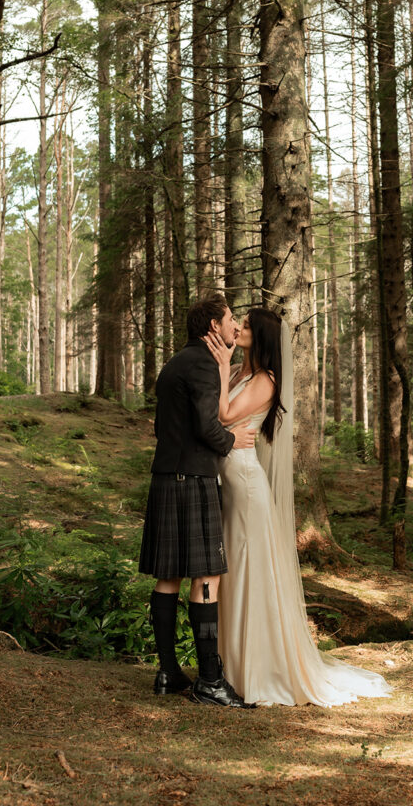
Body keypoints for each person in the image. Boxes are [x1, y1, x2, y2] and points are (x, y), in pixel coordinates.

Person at [203, 307, 392, 707]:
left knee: (248, 572)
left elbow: (223, 414)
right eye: (242, 323)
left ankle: (259, 671)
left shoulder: (265, 380)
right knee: (231, 574)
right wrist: (226, 367)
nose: (240, 329)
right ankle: (226, 668)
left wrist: (221, 364)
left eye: (249, 327)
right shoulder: (241, 373)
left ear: (265, 338)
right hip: (228, 481)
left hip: (246, 485)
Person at [138, 294, 256, 708]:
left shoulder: (176, 363)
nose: (235, 327)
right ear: (213, 327)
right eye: (229, 321)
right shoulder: (205, 364)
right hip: (193, 478)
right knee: (207, 575)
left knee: (168, 575)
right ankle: (209, 681)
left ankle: (169, 673)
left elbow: (163, 426)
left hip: (166, 475)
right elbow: (209, 425)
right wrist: (231, 440)